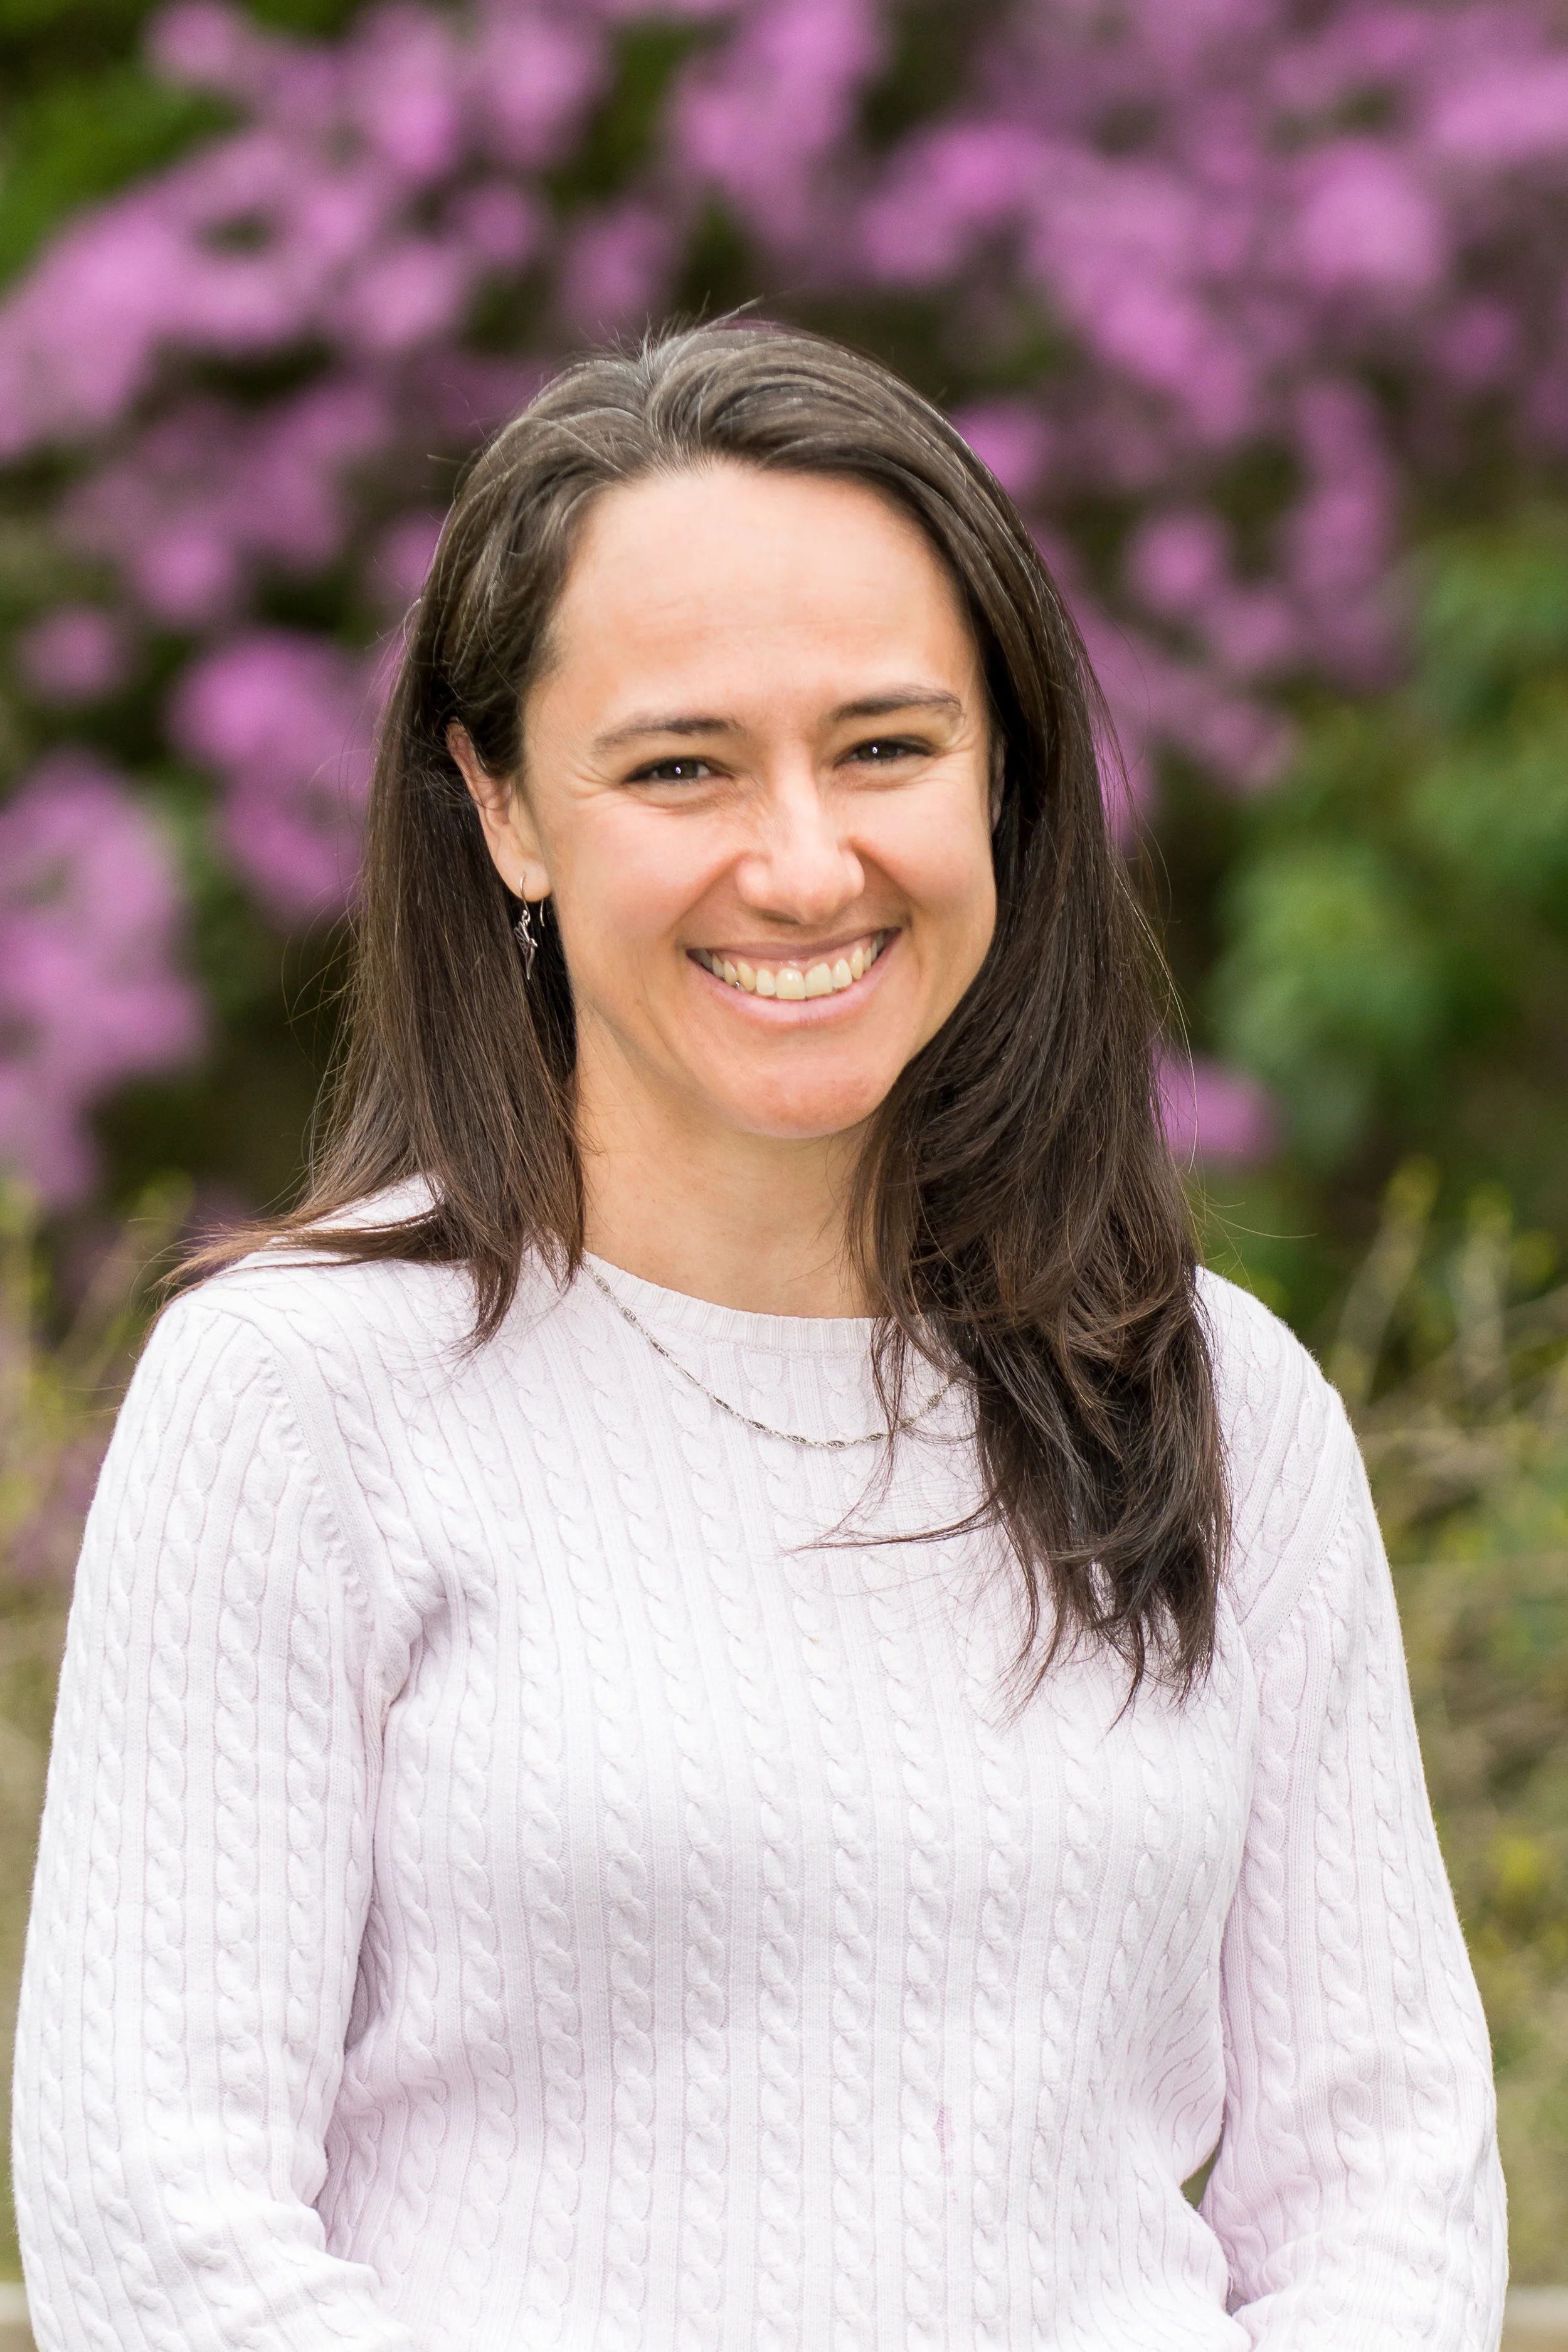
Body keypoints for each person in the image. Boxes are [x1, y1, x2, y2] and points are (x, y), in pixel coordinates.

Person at [14, 321, 1505, 2351]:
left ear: (1003, 772)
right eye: (679, 766)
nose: (801, 861)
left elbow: (1386, 2192)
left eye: (885, 745)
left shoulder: (1221, 1400)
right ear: (504, 808)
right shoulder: (295, 1399)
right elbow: (155, 2222)